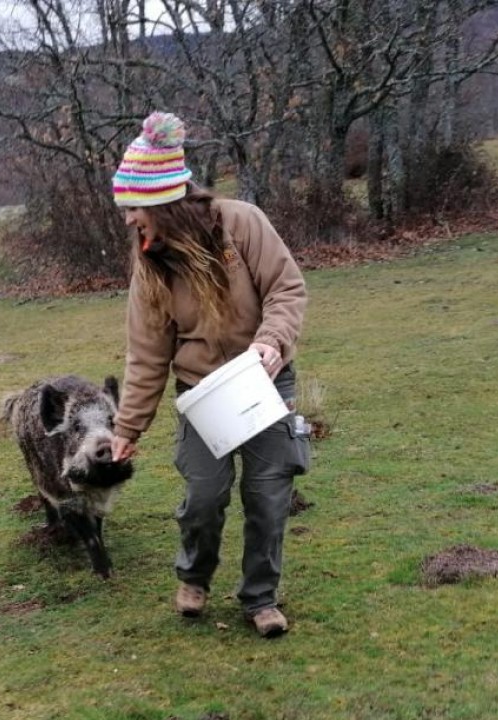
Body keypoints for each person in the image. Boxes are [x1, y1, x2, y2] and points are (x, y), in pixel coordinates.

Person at [110, 112, 309, 638]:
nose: (128, 220)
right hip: (202, 393)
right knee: (204, 496)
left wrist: (271, 341)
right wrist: (128, 429)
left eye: (134, 208)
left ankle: (260, 598)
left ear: (163, 203)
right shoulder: (150, 267)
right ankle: (194, 577)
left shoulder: (242, 223)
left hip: (264, 382)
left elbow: (286, 289)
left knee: (267, 496)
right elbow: (147, 354)